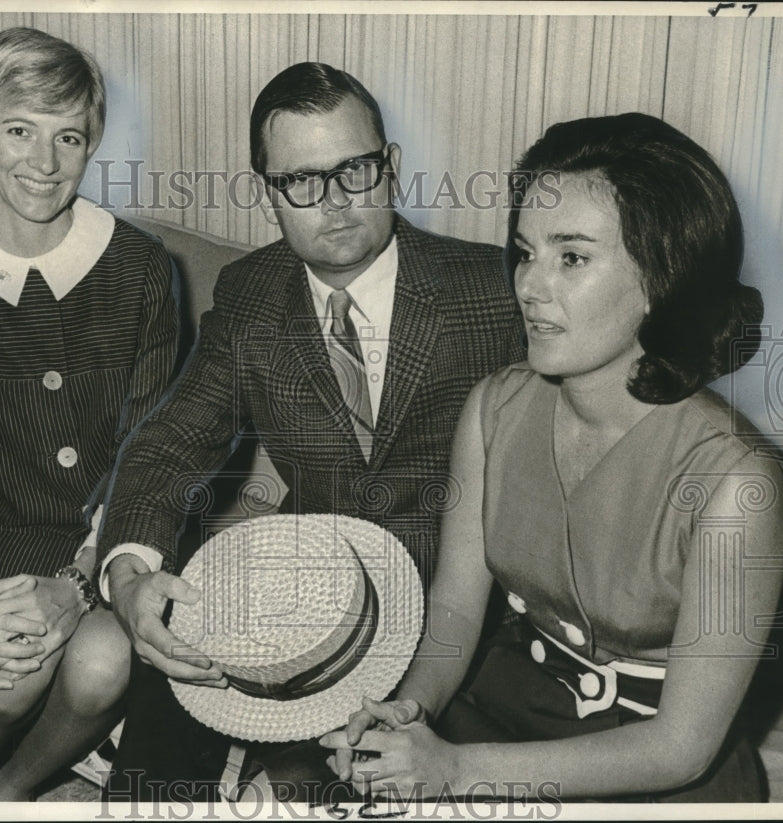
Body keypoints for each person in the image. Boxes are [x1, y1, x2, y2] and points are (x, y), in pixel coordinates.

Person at [321, 112, 783, 802]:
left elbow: (681, 746)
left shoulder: (738, 483)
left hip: (649, 764)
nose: (530, 286)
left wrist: (456, 769)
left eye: (571, 257)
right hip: (507, 703)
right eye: (525, 251)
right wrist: (411, 710)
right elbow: (454, 606)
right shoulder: (493, 409)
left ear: (661, 276)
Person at [95, 62, 524, 799]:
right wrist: (129, 575)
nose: (333, 202)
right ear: (269, 193)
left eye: (354, 170)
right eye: (301, 181)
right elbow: (173, 441)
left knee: (338, 789)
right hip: (303, 595)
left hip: (461, 618)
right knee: (156, 745)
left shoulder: (493, 292)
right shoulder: (252, 295)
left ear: (389, 168)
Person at [0, 27, 180, 801]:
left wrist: (81, 580)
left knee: (104, 659)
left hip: (116, 533)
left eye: (68, 136)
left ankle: (10, 792)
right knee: (10, 663)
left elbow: (150, 450)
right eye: (20, 131)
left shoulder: (145, 268)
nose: (44, 165)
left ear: (90, 144)